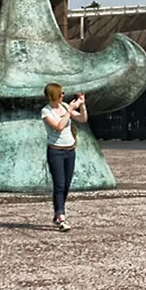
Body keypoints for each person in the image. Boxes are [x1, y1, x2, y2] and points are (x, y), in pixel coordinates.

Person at [41, 82, 87, 232]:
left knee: (67, 184)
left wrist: (81, 105)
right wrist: (70, 111)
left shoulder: (66, 106)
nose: (63, 95)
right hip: (56, 151)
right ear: (54, 95)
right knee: (59, 184)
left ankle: (58, 212)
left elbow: (82, 119)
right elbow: (59, 126)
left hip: (69, 150)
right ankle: (61, 216)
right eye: (61, 93)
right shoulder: (46, 112)